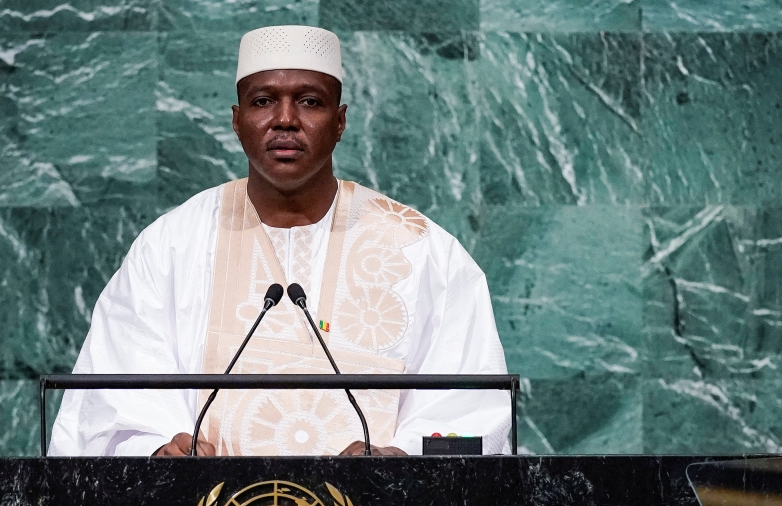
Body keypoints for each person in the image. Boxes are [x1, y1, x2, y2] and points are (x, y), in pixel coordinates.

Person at [49, 25, 511, 457]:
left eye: (310, 102)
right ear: (236, 120)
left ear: (340, 121)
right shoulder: (172, 245)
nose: (285, 120)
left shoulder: (424, 250)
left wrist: (401, 458)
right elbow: (106, 409)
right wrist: (156, 450)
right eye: (263, 101)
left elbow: (474, 416)